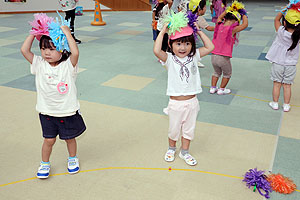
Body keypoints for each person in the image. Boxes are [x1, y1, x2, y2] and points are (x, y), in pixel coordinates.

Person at [21, 14, 86, 178]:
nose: (46, 53)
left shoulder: (68, 66)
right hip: (47, 112)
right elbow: (24, 50)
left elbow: (75, 52)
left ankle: (72, 158)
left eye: (51, 49)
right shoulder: (39, 64)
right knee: (48, 140)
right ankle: (44, 163)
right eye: (43, 49)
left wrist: (67, 33)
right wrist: (35, 31)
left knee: (69, 139)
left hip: (67, 111)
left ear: (62, 49)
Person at [153, 12, 214, 166]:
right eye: (178, 43)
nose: (183, 47)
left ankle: (185, 152)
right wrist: (163, 30)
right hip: (175, 104)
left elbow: (211, 47)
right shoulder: (169, 59)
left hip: (192, 102)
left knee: (189, 130)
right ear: (171, 45)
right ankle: (171, 148)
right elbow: (156, 51)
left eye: (187, 43)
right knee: (174, 130)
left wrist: (198, 30)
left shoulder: (194, 57)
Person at [266, 4, 300, 112]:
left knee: (277, 84)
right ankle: (286, 105)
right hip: (291, 65)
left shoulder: (281, 32)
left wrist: (284, 9)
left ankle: (275, 103)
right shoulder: (298, 36)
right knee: (287, 86)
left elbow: (276, 19)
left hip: (278, 63)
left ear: (284, 23)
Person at [209, 0, 248, 95]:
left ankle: (213, 88)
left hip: (213, 56)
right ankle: (221, 89)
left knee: (216, 72)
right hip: (224, 57)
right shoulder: (232, 29)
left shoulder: (218, 25)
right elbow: (245, 25)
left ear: (225, 18)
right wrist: (244, 14)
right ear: (235, 21)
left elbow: (219, 17)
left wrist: (227, 10)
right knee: (227, 74)